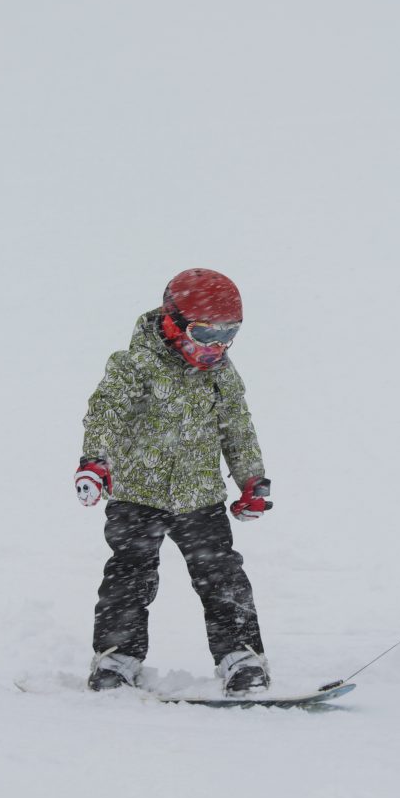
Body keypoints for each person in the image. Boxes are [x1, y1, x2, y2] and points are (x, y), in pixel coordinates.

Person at [75, 268, 272, 695]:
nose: (217, 346)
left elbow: (237, 429)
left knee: (221, 575)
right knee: (129, 575)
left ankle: (241, 657)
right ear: (172, 322)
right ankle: (117, 657)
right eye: (206, 333)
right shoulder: (134, 365)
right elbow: (105, 413)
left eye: (229, 334)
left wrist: (252, 480)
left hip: (200, 496)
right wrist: (95, 462)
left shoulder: (221, 374)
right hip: (136, 495)